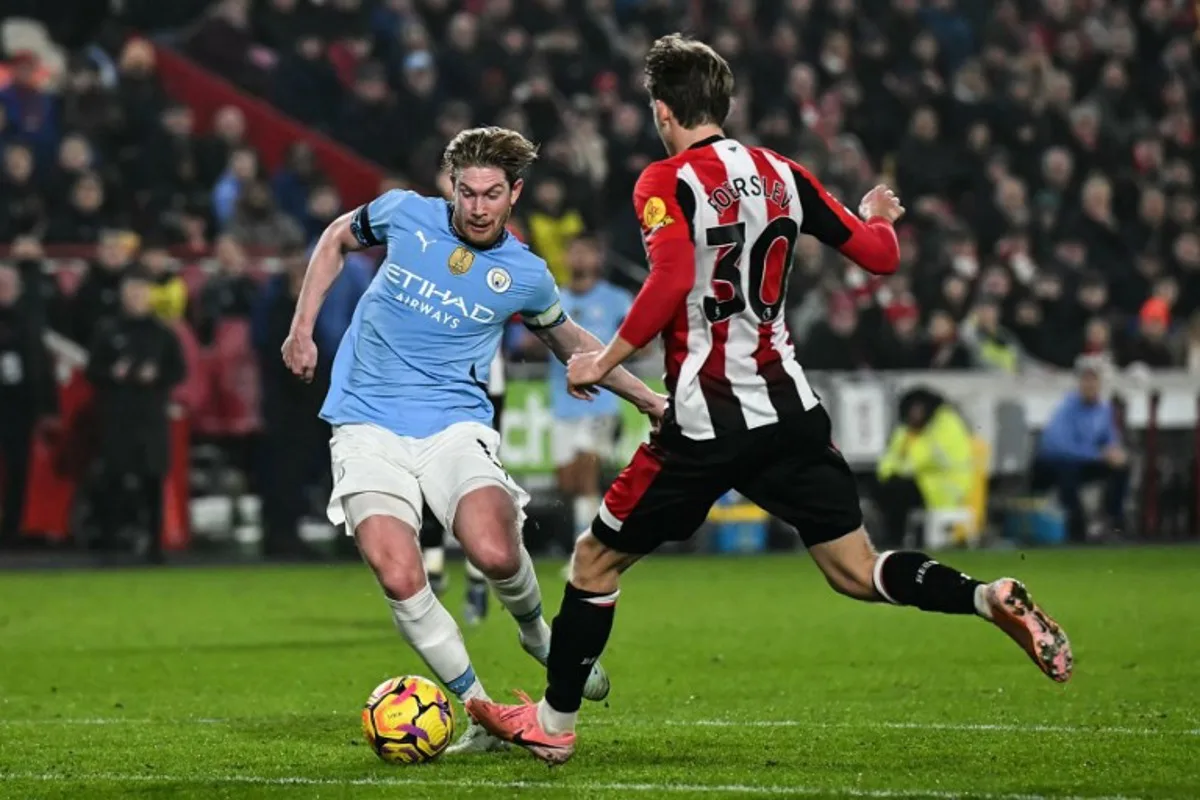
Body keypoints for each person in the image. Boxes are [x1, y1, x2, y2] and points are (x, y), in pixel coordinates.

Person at [466, 35, 1074, 765]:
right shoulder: (783, 172)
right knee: (857, 569)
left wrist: (608, 358)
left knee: (594, 563)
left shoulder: (663, 180)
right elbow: (879, 256)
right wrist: (876, 213)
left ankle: (554, 728)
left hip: (703, 418)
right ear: (722, 105)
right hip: (789, 408)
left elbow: (669, 279)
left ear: (663, 111)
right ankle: (984, 595)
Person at [280, 126, 665, 754]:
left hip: (454, 426)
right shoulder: (404, 213)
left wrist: (649, 399)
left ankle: (537, 634)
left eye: (492, 194)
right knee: (399, 573)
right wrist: (303, 330)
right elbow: (334, 240)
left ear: (515, 194)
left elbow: (570, 340)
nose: (478, 207)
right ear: (449, 187)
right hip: (365, 423)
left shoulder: (526, 275)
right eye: (467, 192)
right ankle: (482, 709)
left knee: (492, 551)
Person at [85, 269, 186, 562]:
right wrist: (112, 373)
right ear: (123, 296)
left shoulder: (163, 333)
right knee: (113, 480)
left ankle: (154, 545)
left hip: (151, 417)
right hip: (116, 417)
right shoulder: (108, 330)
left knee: (152, 481)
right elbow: (92, 371)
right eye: (131, 292)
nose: (137, 298)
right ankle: (111, 543)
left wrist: (157, 375)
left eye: (141, 292)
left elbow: (178, 371)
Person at [550, 236, 633, 536]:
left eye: (586, 252)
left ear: (597, 258)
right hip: (562, 404)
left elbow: (639, 341)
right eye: (574, 252)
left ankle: (588, 545)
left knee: (586, 474)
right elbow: (529, 344)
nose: (580, 259)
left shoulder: (615, 299)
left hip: (601, 402)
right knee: (567, 482)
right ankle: (597, 532)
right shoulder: (554, 298)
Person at [1031, 358, 1128, 542]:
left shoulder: (1103, 409)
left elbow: (1110, 439)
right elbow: (1058, 446)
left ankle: (1113, 521)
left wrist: (1115, 453)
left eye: (1094, 380)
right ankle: (1076, 528)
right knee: (1068, 471)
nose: (1090, 385)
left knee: (1121, 468)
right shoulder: (1066, 409)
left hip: (1084, 461)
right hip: (1053, 464)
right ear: (1080, 383)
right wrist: (1098, 455)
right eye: (1086, 380)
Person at [876, 387, 975, 547]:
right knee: (885, 488)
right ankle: (893, 539)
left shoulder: (946, 424)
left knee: (898, 492)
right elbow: (890, 456)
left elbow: (931, 457)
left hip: (944, 487)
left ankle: (895, 540)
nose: (914, 414)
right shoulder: (906, 429)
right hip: (922, 482)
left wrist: (899, 470)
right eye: (911, 409)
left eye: (919, 409)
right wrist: (888, 474)